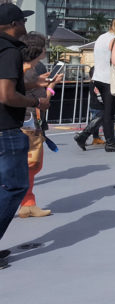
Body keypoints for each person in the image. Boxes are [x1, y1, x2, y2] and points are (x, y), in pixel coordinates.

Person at [1, 4, 50, 265]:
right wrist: (35, 101)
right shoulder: (10, 52)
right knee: (16, 186)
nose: (25, 26)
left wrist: (33, 84)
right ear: (13, 25)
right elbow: (7, 95)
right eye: (22, 21)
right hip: (6, 128)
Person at [75, 17, 115, 152]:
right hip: (109, 80)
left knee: (104, 111)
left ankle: (84, 135)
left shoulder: (101, 38)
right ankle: (110, 143)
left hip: (97, 78)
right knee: (109, 114)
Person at [18, 32, 60, 218]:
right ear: (39, 52)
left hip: (16, 121)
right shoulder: (32, 71)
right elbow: (43, 101)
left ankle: (28, 203)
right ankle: (26, 203)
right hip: (29, 124)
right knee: (31, 165)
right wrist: (52, 86)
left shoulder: (14, 67)